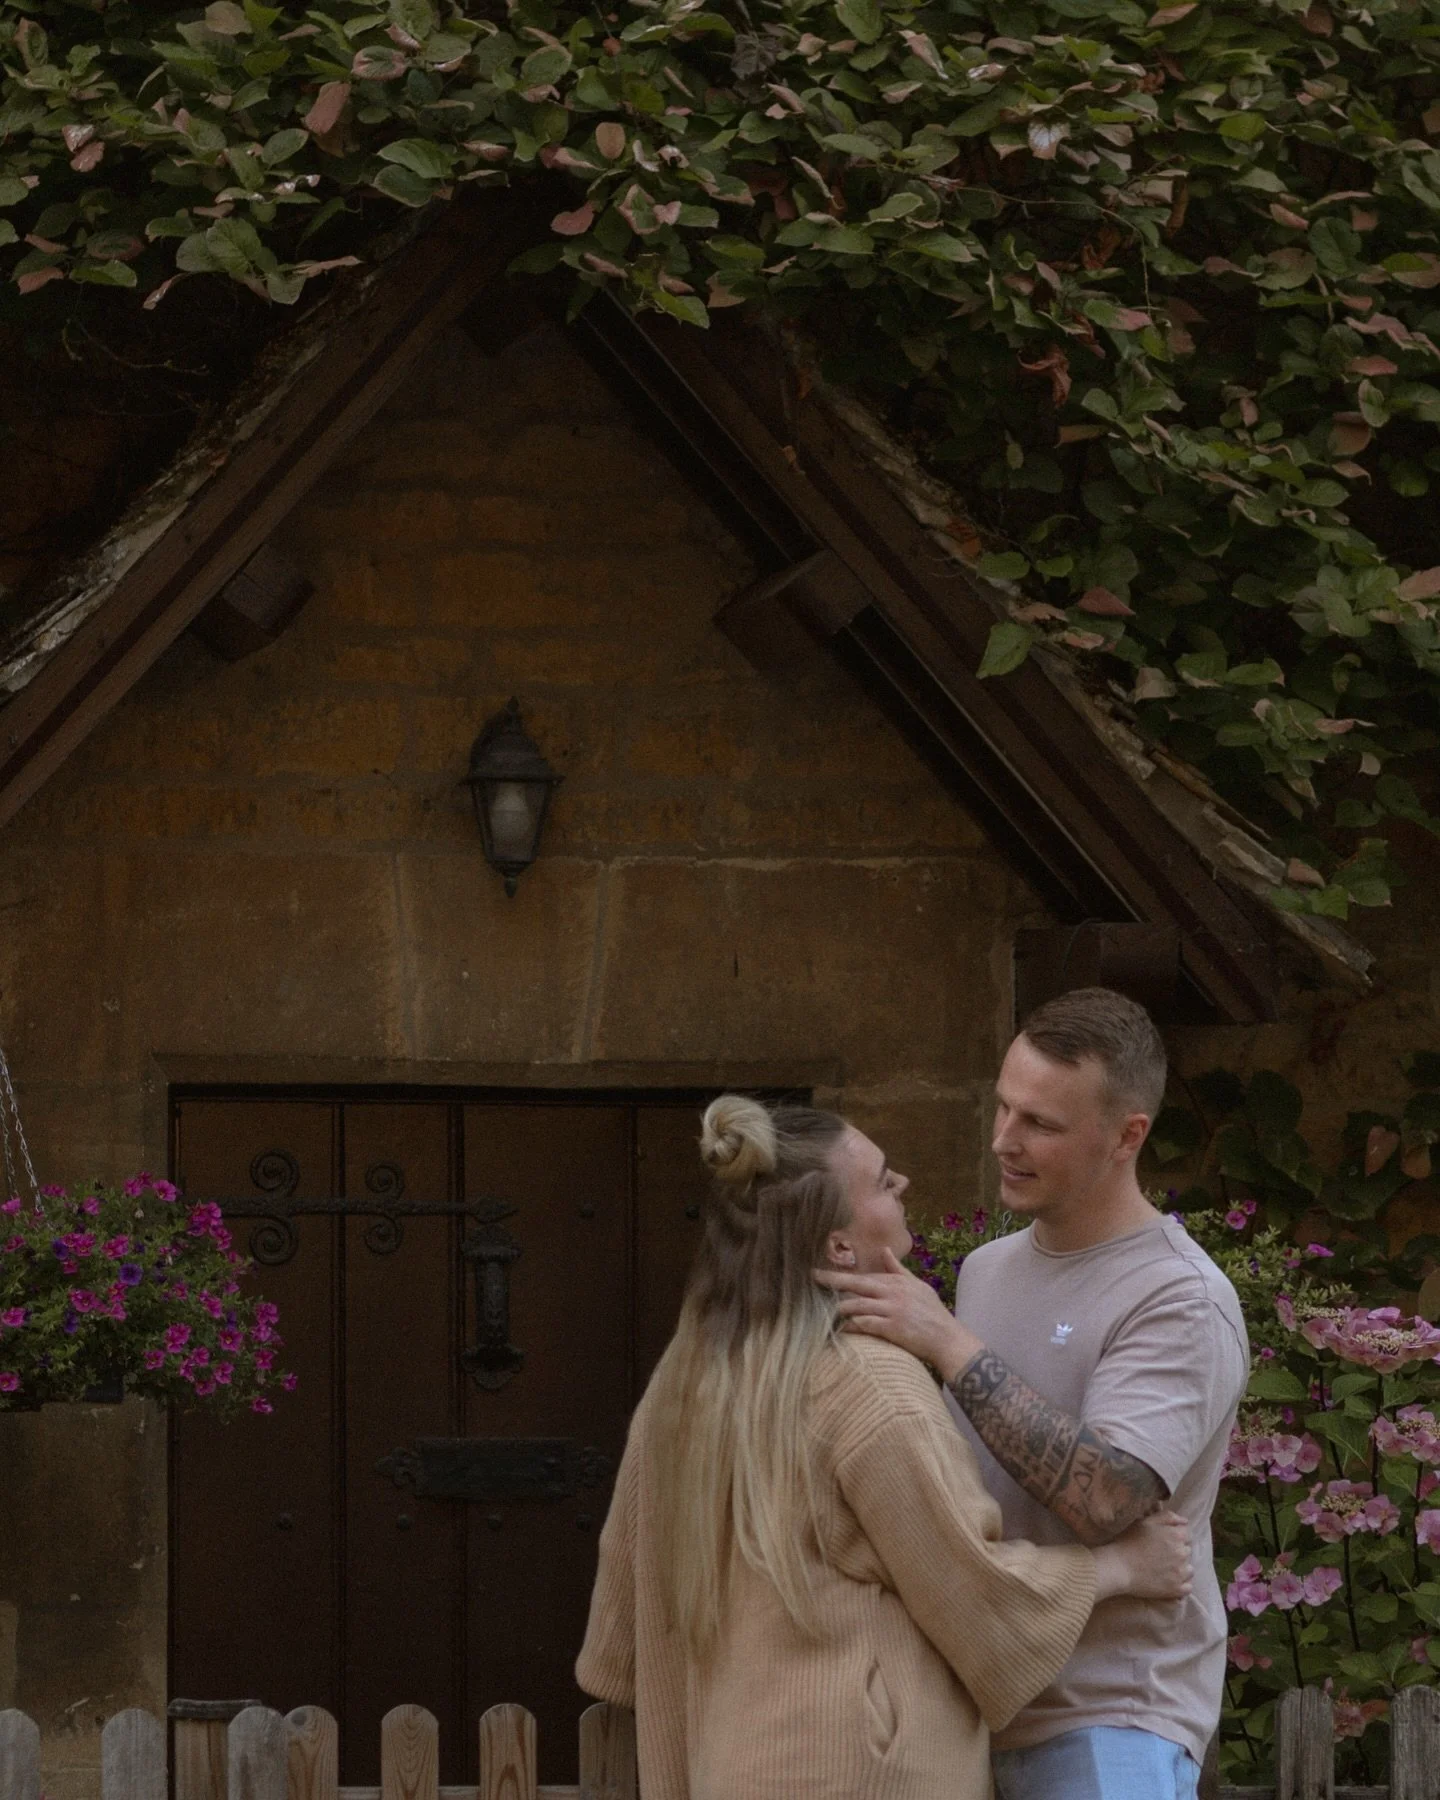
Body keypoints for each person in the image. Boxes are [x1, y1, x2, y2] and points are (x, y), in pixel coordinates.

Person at [577, 1092, 1193, 1800]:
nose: (901, 1184)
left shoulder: (681, 1384)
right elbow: (974, 1594)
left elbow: (621, 1634)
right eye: (882, 1178)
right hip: (864, 1771)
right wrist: (1121, 1567)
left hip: (728, 1764)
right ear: (840, 1246)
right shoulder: (869, 1381)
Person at [817, 987, 1249, 1800]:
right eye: (1003, 1108)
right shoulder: (988, 1269)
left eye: (1039, 1124)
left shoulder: (1179, 1296)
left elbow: (1113, 1502)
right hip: (972, 1714)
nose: (1002, 1142)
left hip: (1109, 1725)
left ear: (1128, 1136)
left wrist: (946, 1342)